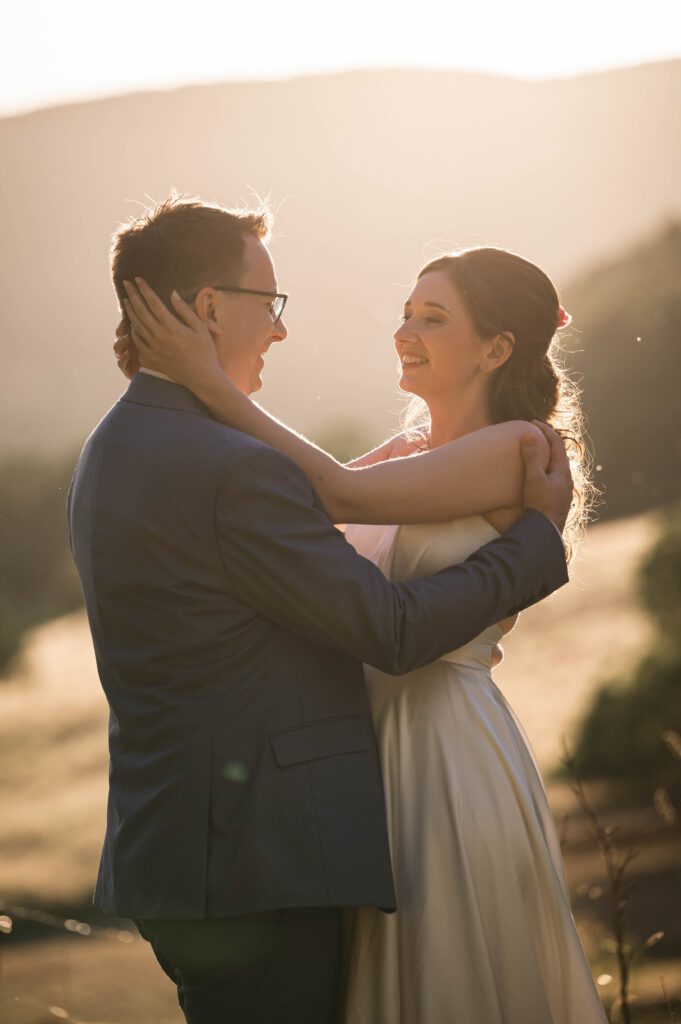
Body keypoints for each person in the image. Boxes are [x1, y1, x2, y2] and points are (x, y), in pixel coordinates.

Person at [69, 194, 571, 1024]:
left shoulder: (115, 445)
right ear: (206, 311)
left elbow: (336, 499)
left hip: (199, 851)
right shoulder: (228, 466)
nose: (279, 329)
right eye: (268, 305)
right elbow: (390, 625)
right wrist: (533, 548)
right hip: (257, 861)